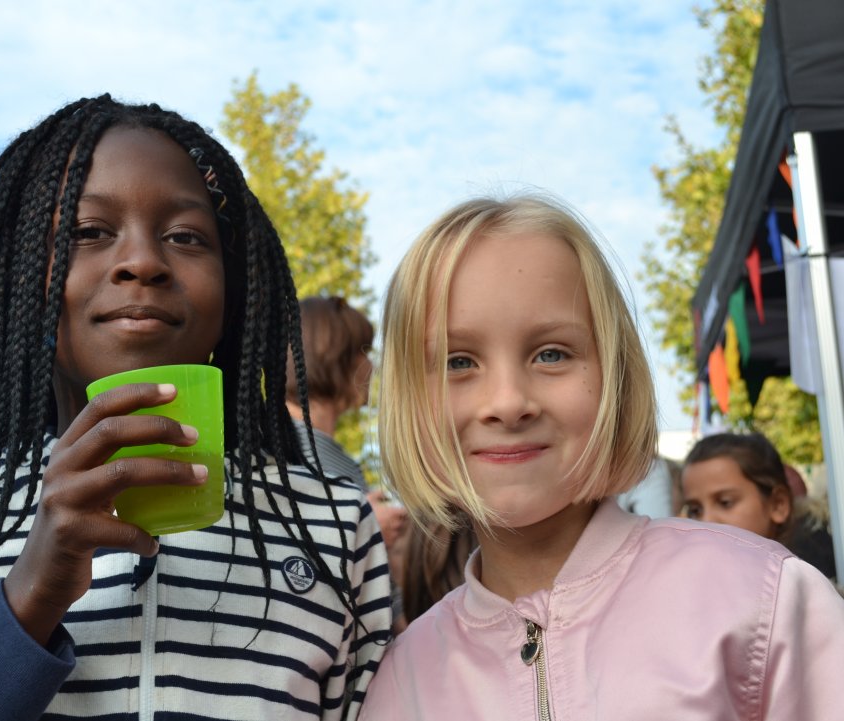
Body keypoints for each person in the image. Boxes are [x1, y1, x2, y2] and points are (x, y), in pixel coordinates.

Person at [0, 96, 391, 720]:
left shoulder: (331, 523)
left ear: (235, 289)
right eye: (88, 233)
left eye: (185, 236)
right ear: (20, 280)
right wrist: (28, 600)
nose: (142, 262)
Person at [359, 194, 844, 719]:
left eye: (551, 354)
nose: (507, 403)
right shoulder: (404, 679)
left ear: (616, 372)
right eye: (458, 362)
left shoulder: (762, 599)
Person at [285, 295, 408, 624]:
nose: (373, 366)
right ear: (331, 355)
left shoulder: (333, 455)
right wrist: (364, 530)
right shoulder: (280, 449)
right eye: (362, 352)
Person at [682, 432, 838, 581]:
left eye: (725, 502)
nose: (705, 521)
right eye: (695, 511)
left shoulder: (812, 580)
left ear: (778, 504)